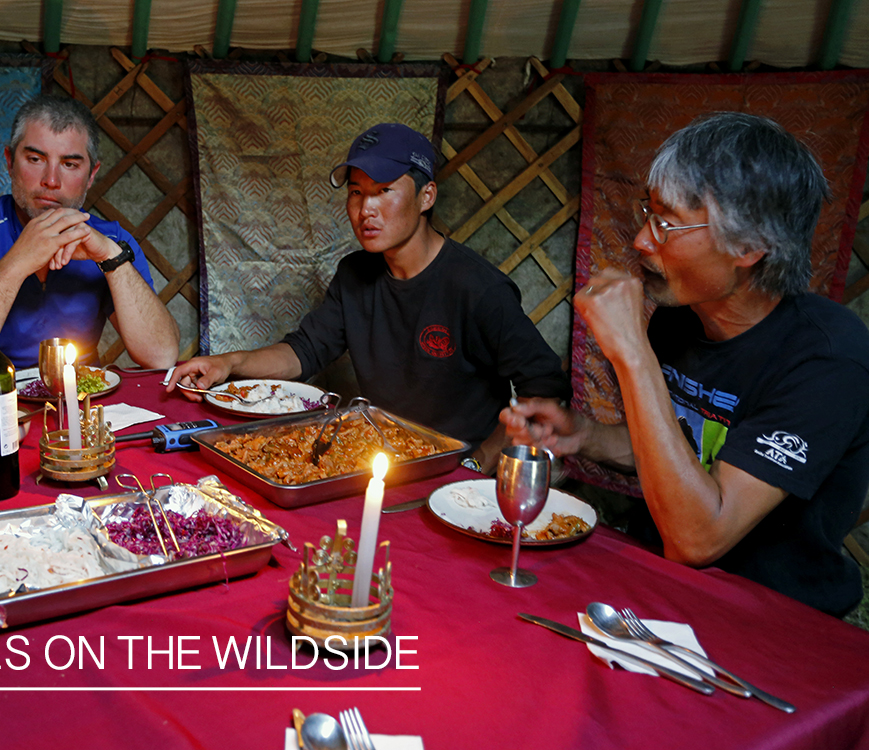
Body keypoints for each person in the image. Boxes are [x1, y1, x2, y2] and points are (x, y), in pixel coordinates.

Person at [502, 112, 869, 616]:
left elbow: (699, 537)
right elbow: (677, 451)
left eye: (667, 223)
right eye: (647, 213)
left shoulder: (828, 359)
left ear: (749, 246)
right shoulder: (679, 320)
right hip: (659, 595)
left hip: (773, 623)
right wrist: (586, 435)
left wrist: (631, 353)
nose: (641, 241)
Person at [167, 123, 569, 470]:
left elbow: (544, 390)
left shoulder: (479, 289)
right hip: (380, 460)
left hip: (455, 472)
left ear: (426, 196)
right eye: (357, 193)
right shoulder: (355, 274)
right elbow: (304, 352)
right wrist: (228, 363)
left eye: (384, 191)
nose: (366, 210)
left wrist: (477, 463)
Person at [0, 94, 179, 391]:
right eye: (35, 159)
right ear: (10, 162)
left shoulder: (111, 242)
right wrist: (18, 261)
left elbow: (161, 356)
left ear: (91, 175)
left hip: (80, 407)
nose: (51, 180)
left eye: (70, 164)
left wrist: (111, 257)